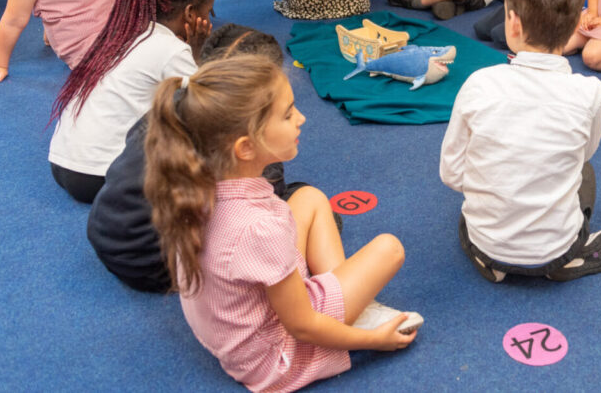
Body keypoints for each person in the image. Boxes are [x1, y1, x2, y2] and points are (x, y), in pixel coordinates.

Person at [145, 56, 421, 391]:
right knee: (389, 249)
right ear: (246, 147)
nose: (302, 118)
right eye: (288, 114)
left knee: (310, 198)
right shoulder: (259, 227)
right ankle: (355, 311)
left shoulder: (193, 187)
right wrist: (372, 340)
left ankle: (349, 301)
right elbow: (302, 326)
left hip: (234, 334)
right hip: (275, 356)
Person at [441, 0, 601, 282]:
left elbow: (452, 175)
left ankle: (494, 262)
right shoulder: (592, 91)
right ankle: (562, 260)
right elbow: (584, 155)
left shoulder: (480, 83)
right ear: (573, 27)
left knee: (467, 218)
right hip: (555, 249)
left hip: (485, 244)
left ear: (512, 23)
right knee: (584, 173)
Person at [87, 24, 307, 293]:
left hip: (106, 237)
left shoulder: (171, 106)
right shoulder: (239, 140)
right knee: (302, 207)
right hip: (159, 265)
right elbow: (261, 211)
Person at [47, 0, 213, 203]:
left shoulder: (119, 33)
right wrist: (197, 52)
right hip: (104, 177)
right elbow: (206, 100)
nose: (209, 20)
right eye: (207, 12)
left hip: (62, 163)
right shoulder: (170, 48)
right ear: (189, 14)